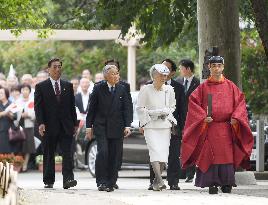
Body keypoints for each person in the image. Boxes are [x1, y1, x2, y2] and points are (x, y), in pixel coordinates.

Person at [180, 56, 254, 194]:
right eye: (213, 65)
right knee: (210, 154)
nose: (216, 68)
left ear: (223, 67)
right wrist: (202, 117)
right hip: (210, 128)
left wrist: (236, 118)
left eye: (219, 65)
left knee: (227, 156)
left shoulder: (231, 86)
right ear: (209, 67)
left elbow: (240, 103)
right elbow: (193, 103)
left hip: (226, 127)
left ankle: (227, 183)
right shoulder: (203, 88)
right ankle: (211, 183)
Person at [85, 64, 132, 192]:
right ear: (106, 76)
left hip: (117, 127)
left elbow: (127, 108)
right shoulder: (98, 88)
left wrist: (128, 125)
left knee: (114, 155)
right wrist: (89, 126)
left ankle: (111, 181)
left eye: (117, 73)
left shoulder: (122, 89)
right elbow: (92, 108)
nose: (116, 76)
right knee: (103, 152)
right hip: (101, 126)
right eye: (113, 74)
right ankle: (101, 181)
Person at [34, 58, 78, 189]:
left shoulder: (68, 86)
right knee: (49, 153)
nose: (58, 69)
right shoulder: (41, 87)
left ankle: (68, 179)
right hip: (48, 126)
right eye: (55, 67)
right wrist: (41, 123)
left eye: (59, 67)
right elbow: (38, 107)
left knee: (67, 153)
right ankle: (48, 180)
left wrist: (74, 124)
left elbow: (72, 106)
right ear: (48, 70)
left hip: (66, 125)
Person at [147, 59, 186, 191]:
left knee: (173, 155)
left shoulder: (179, 88)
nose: (162, 71)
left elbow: (182, 110)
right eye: (161, 68)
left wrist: (183, 127)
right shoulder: (149, 86)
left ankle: (173, 182)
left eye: (166, 69)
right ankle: (155, 181)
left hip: (172, 127)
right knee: (155, 154)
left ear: (173, 73)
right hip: (154, 126)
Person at [137, 64, 177, 191]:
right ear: (154, 76)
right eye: (161, 75)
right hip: (151, 126)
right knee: (154, 152)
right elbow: (140, 108)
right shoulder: (146, 89)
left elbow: (173, 106)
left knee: (163, 155)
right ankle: (160, 180)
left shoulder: (169, 89)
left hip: (165, 125)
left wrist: (166, 111)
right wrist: (154, 113)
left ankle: (156, 182)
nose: (164, 78)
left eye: (165, 75)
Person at [177, 59, 200, 182]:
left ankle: (190, 173)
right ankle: (182, 172)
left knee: (191, 146)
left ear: (188, 69)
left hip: (193, 120)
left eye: (181, 68)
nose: (180, 71)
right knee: (180, 146)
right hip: (180, 120)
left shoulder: (199, 83)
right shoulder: (178, 82)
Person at [16, 84, 36, 172]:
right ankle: (19, 164)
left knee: (28, 146)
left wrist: (29, 115)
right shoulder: (17, 101)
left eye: (27, 89)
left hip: (29, 125)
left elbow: (36, 113)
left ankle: (25, 164)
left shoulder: (33, 101)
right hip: (18, 126)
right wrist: (20, 115)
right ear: (21, 91)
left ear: (29, 91)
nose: (25, 91)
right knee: (19, 146)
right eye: (23, 89)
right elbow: (14, 112)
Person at [0, 87, 15, 154]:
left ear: (6, 94)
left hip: (10, 131)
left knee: (9, 152)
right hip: (1, 131)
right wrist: (5, 113)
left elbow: (15, 117)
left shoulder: (11, 104)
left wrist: (10, 115)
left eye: (1, 93)